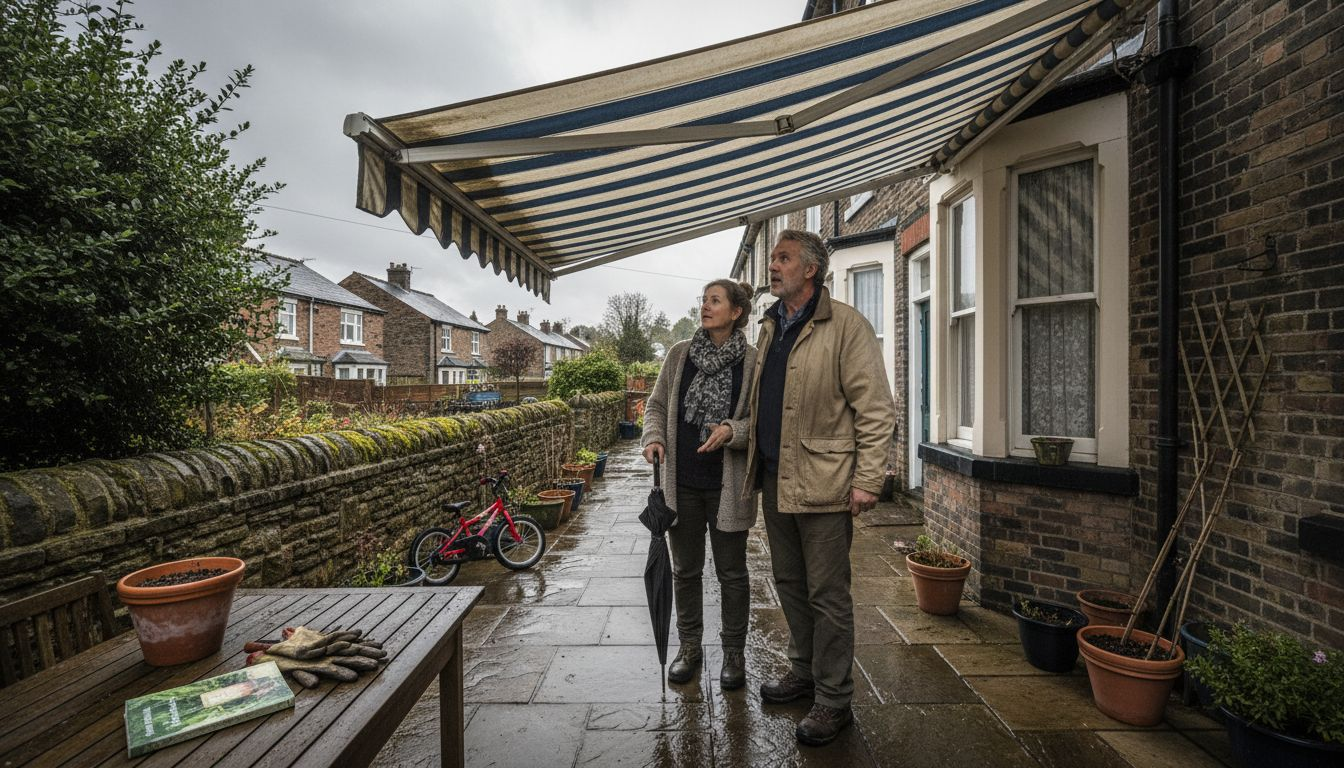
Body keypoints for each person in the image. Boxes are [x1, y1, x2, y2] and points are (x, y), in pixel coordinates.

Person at [744, 229, 896, 746]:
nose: (773, 266)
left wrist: (868, 479)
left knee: (828, 594)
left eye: (782, 258)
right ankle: (803, 670)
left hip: (825, 482)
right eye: (772, 259)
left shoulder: (847, 326)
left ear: (810, 269)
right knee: (788, 583)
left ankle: (833, 700)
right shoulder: (770, 327)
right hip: (774, 477)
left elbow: (875, 410)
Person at [640, 279, 758, 690]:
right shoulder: (679, 355)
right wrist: (653, 437)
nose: (705, 307)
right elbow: (655, 405)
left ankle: (733, 653)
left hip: (728, 487)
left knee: (732, 573)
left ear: (736, 311)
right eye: (703, 300)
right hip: (683, 483)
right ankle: (689, 648)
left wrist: (732, 431)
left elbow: (761, 423)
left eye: (714, 301)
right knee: (685, 571)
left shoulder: (753, 362)